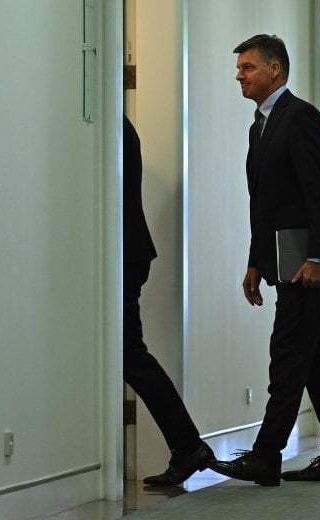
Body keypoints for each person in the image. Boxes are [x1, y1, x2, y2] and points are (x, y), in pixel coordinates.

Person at [208, 34, 320, 486]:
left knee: (288, 353)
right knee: (317, 361)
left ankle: (266, 455)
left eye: (248, 67)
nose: (239, 75)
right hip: (280, 262)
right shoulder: (260, 125)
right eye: (239, 68)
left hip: (306, 264)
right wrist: (255, 262)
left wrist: (319, 257)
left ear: (275, 69)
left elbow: (319, 194)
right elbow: (264, 205)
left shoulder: (302, 119)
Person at [123, 115, 214, 485]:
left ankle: (188, 445)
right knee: (129, 356)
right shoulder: (117, 122)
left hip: (123, 254)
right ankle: (187, 445)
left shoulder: (109, 123)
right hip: (128, 252)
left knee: (130, 356)